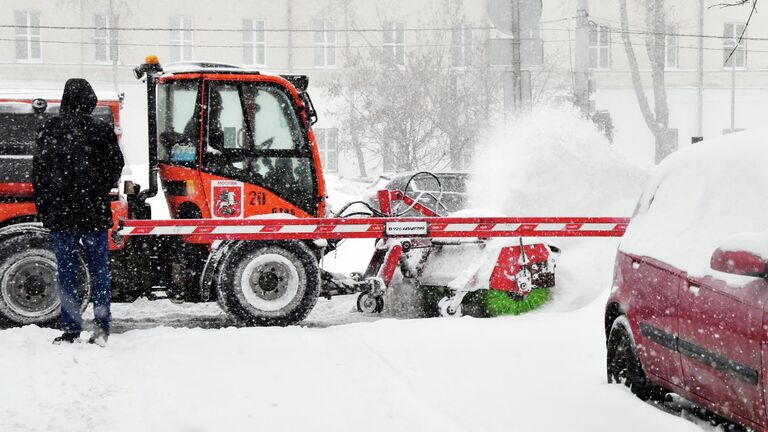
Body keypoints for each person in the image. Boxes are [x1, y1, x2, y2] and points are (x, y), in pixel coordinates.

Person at [32, 78, 124, 346]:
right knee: (99, 271)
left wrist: (45, 206)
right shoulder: (100, 129)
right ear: (90, 100)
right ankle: (102, 327)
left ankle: (71, 328)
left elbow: (39, 173)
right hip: (92, 211)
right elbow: (115, 166)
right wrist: (97, 187)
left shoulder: (49, 128)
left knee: (67, 273)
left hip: (62, 214)